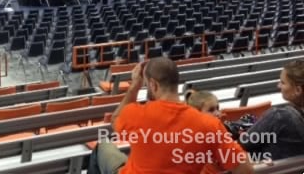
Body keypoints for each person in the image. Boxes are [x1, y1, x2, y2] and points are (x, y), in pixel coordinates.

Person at [88, 57, 253, 174]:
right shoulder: (209, 124)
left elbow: (115, 119)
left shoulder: (137, 114)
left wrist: (135, 87)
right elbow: (244, 168)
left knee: (102, 147)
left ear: (153, 84)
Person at [240, 59, 304, 161]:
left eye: (282, 82)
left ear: (298, 90)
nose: (278, 86)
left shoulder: (280, 117)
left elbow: (243, 143)